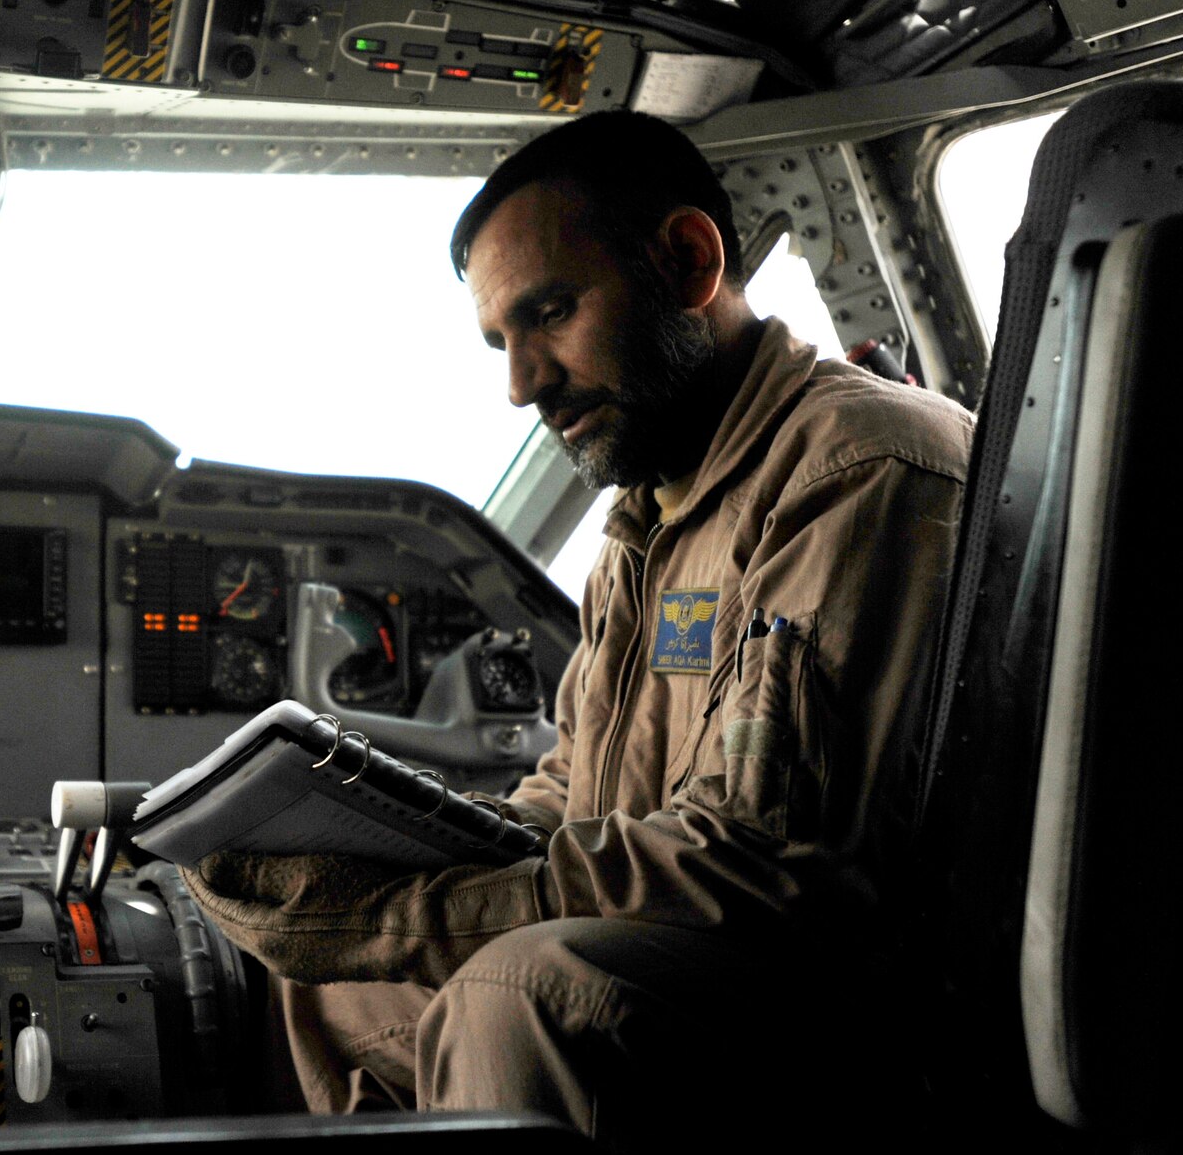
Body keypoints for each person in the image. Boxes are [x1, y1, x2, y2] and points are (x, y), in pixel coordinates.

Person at [181, 111, 974, 1150]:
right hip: (704, 957)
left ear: (687, 262)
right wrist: (373, 860)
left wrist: (401, 917)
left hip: (853, 1000)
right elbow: (574, 793)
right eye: (500, 342)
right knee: (326, 987)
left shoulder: (854, 465)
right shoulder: (650, 513)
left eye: (548, 313)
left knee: (518, 991)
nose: (521, 384)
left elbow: (771, 862)